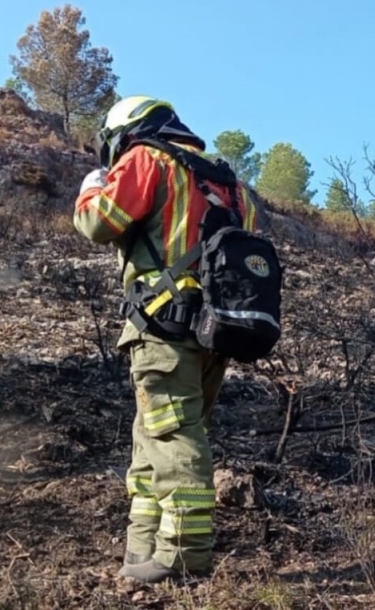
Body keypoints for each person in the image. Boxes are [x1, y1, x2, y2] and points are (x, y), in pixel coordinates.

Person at [73, 95, 257, 584]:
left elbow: (100, 223)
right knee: (157, 434)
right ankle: (141, 550)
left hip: (164, 326)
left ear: (124, 132)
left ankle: (183, 553)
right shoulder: (228, 183)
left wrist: (92, 188)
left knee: (173, 434)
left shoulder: (147, 158)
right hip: (217, 330)